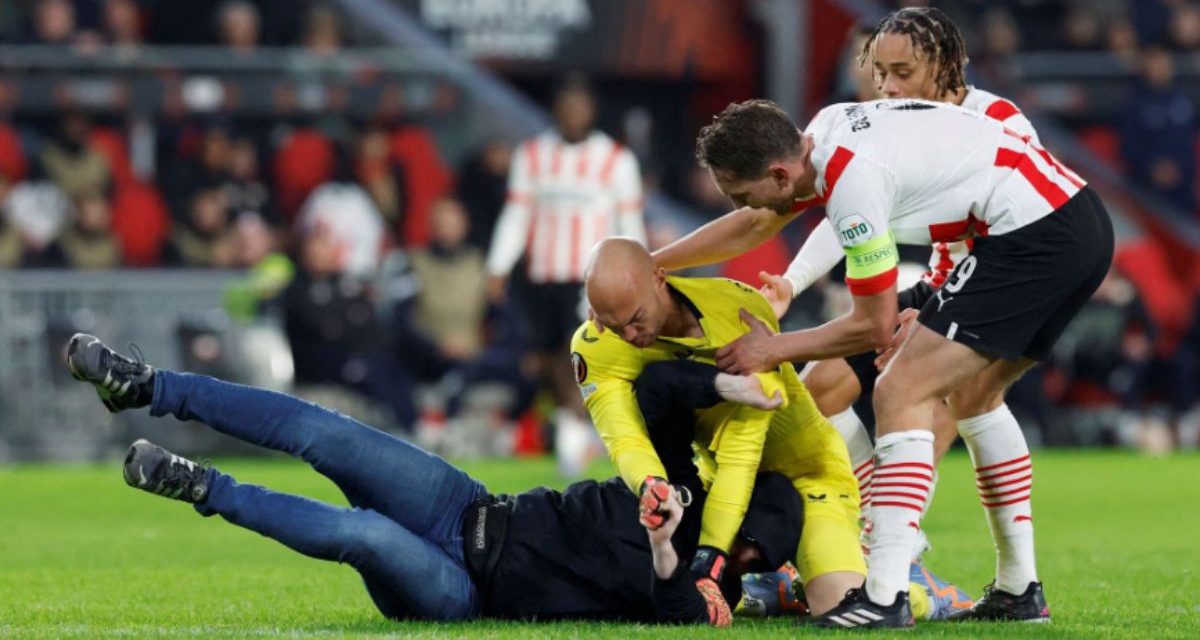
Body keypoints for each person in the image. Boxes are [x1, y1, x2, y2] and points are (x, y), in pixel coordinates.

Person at [661, 95, 1112, 627]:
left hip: (1031, 239)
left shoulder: (853, 181)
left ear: (781, 174)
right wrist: (652, 265)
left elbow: (872, 325)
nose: (744, 206)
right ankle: (1018, 590)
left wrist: (771, 348)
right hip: (1069, 224)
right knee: (974, 398)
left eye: (743, 193)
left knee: (899, 390)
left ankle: (885, 592)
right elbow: (755, 224)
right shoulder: (823, 134)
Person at [64, 332, 800, 625]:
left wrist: (672, 550)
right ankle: (147, 385)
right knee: (323, 429)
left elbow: (675, 613)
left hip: (463, 590)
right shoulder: (675, 483)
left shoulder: (708, 586)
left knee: (362, 534)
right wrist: (732, 390)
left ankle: (201, 487)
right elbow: (661, 389)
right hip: (473, 503)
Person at [757, 7, 1050, 564]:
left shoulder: (1000, 121)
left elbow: (1025, 225)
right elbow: (844, 215)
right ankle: (885, 529)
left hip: (991, 285)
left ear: (942, 66)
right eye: (878, 72)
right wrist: (792, 284)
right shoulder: (884, 123)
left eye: (900, 73)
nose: (886, 87)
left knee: (953, 403)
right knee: (820, 389)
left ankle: (932, 556)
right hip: (938, 283)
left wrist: (932, 315)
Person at [574, 238, 970, 621]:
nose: (628, 336)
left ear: (660, 277)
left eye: (635, 318)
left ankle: (924, 594)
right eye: (612, 324)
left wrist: (709, 559)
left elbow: (741, 454)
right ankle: (781, 581)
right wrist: (650, 486)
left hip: (808, 474)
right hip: (719, 485)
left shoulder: (737, 310)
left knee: (844, 608)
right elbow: (624, 437)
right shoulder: (596, 346)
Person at [485, 74, 646, 476]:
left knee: (577, 356)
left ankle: (575, 442)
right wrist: (498, 265)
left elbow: (630, 221)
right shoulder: (533, 155)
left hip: (592, 277)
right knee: (546, 359)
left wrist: (639, 269)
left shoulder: (616, 159)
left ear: (591, 110)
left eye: (580, 105)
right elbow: (517, 214)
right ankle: (579, 433)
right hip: (541, 275)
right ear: (555, 109)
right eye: (566, 105)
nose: (572, 113)